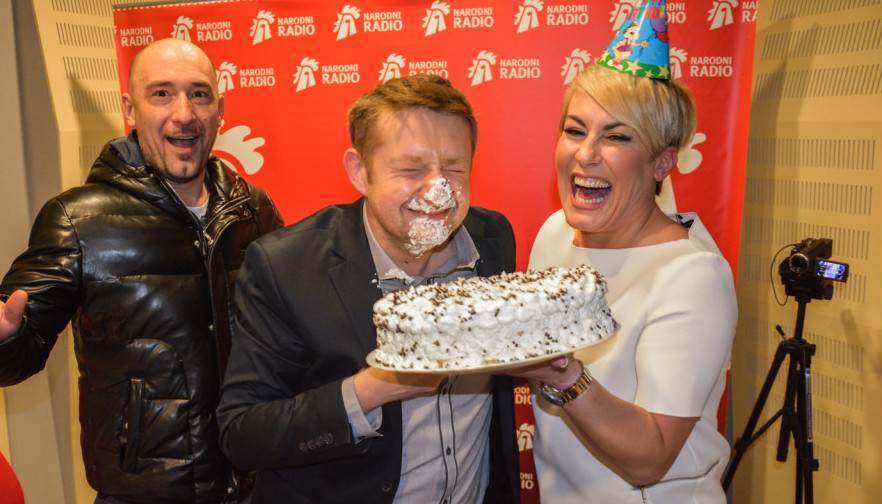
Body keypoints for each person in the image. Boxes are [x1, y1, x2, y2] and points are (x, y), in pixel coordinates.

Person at [0, 38, 282, 503]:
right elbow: (18, 355)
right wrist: (6, 337)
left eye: (199, 94)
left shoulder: (253, 209)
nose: (184, 113)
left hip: (255, 484)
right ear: (131, 109)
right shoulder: (78, 220)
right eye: (161, 94)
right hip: (143, 493)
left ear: (220, 110)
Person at [217, 74, 521, 504]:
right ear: (360, 171)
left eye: (454, 168)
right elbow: (243, 433)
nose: (438, 190)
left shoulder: (493, 240)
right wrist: (374, 389)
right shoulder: (286, 266)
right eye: (411, 169)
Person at [510, 7, 738, 502]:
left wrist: (563, 374)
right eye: (575, 130)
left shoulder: (692, 276)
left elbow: (649, 458)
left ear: (662, 162)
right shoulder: (554, 234)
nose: (586, 154)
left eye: (616, 137)